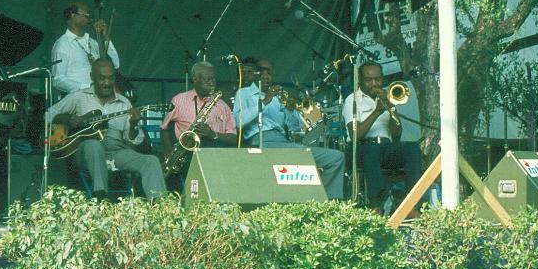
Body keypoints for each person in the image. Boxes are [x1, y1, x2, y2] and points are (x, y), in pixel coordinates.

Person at [48, 58, 166, 200]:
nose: (107, 83)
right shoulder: (79, 97)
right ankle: (101, 198)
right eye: (102, 78)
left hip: (117, 151)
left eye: (111, 78)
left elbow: (132, 143)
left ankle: (160, 204)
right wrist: (66, 119)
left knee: (151, 161)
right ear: (92, 77)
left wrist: (133, 125)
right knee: (94, 145)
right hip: (86, 153)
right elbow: (48, 114)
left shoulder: (124, 103)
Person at [233, 59, 345, 200]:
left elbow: (294, 128)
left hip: (282, 142)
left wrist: (290, 111)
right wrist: (265, 101)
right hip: (261, 141)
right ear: (255, 73)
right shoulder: (243, 93)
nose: (266, 76)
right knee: (301, 154)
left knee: (336, 157)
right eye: (261, 71)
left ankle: (327, 202)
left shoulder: (277, 98)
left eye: (269, 73)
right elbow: (238, 121)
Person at [343, 61, 422, 210]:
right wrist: (377, 111)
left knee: (412, 149)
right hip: (361, 148)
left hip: (385, 147)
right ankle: (376, 204)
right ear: (360, 81)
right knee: (372, 149)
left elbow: (397, 133)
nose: (374, 84)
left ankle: (412, 204)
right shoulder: (352, 100)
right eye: (369, 80)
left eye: (378, 79)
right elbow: (355, 135)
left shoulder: (386, 97)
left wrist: (390, 107)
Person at [161, 61, 237, 157]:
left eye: (213, 79)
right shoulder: (179, 100)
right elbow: (164, 129)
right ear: (195, 79)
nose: (212, 83)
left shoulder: (223, 106)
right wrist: (168, 149)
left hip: (213, 156)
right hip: (184, 154)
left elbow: (234, 139)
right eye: (208, 79)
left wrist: (212, 134)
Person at [51, 1, 120, 96]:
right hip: (79, 97)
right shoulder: (62, 45)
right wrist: (87, 87)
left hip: (100, 97)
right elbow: (58, 80)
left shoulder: (93, 42)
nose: (91, 20)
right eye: (87, 15)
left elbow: (115, 64)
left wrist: (105, 36)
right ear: (73, 15)